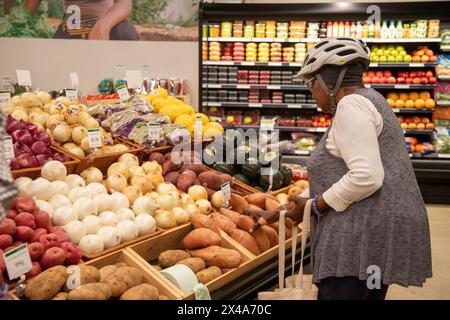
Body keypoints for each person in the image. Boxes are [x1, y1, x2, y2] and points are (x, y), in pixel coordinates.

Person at [246, 38, 432, 300]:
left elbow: (367, 176)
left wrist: (318, 204)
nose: (312, 92)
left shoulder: (350, 105)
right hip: (378, 228)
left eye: (312, 84)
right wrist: (302, 206)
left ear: (329, 83)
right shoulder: (372, 98)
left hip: (360, 235)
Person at [6, 0, 138, 40]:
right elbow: (24, 12)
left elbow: (124, 3)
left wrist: (103, 25)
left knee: (125, 32)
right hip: (70, 32)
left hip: (106, 31)